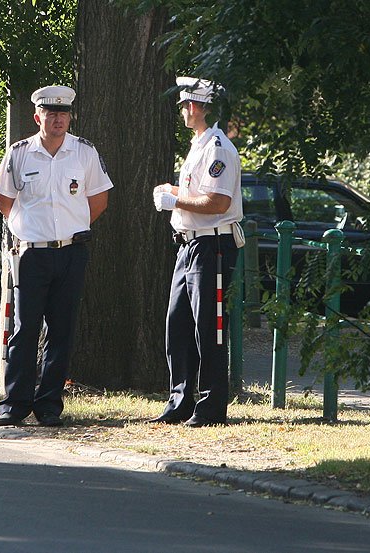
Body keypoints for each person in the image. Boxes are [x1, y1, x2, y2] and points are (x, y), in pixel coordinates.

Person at [0, 85, 113, 427]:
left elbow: (99, 200)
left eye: (63, 113)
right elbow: (4, 200)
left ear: (70, 117)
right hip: (31, 255)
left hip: (71, 252)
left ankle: (48, 406)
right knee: (24, 330)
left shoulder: (84, 152)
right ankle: (13, 405)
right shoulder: (19, 153)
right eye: (50, 113)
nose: (57, 119)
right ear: (37, 116)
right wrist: (28, 228)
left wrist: (71, 227)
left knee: (61, 332)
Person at [149, 77, 243, 427]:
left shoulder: (217, 147)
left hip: (213, 245)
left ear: (204, 107)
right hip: (189, 244)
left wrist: (174, 199)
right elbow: (198, 192)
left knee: (210, 327)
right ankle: (180, 400)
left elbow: (218, 201)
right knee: (178, 325)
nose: (185, 110)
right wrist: (175, 190)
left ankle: (211, 405)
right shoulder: (198, 145)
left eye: (190, 104)